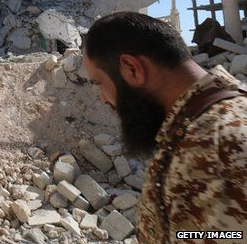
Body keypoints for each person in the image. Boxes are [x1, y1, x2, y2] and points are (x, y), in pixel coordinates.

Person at [82, 12, 247, 243]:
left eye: (99, 83)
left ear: (132, 68)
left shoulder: (215, 147)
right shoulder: (197, 125)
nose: (103, 98)